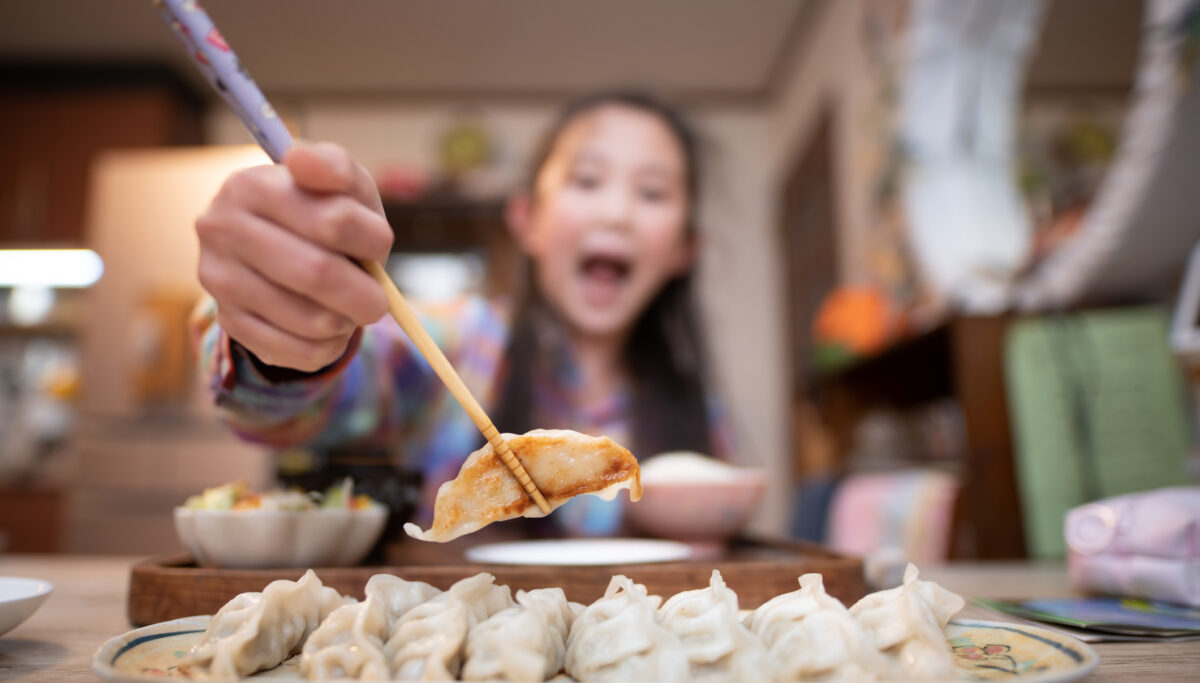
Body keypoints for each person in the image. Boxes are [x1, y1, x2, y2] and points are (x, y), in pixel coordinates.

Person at [191, 90, 734, 536]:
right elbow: (288, 409)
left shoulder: (700, 414)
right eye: (587, 181)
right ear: (527, 219)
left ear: (685, 247)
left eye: (652, 192)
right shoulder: (461, 341)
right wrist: (288, 343)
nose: (617, 214)